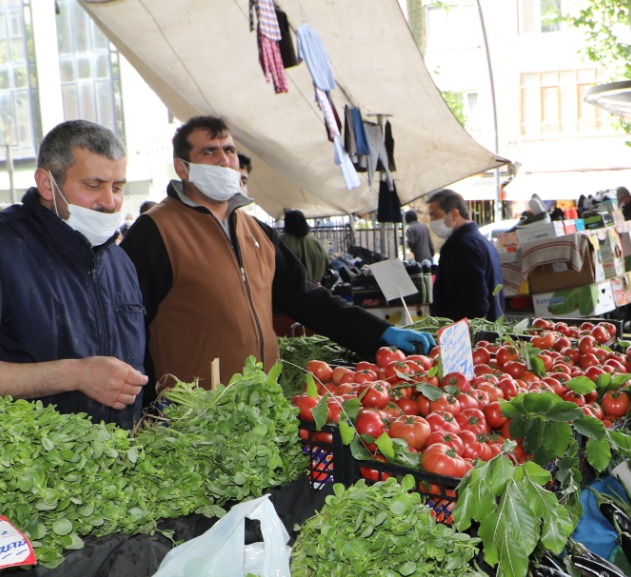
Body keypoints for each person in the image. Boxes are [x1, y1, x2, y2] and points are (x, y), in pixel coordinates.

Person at [121, 115, 430, 394]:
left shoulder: (256, 231)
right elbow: (127, 324)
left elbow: (306, 298)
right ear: (182, 167)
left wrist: (378, 331)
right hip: (193, 410)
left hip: (261, 401)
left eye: (228, 150)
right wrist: (147, 395)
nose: (224, 160)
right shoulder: (156, 231)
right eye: (209, 152)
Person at [0, 119, 148, 426]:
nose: (110, 202)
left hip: (112, 463)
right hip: (20, 468)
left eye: (118, 187)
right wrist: (75, 375)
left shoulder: (119, 261)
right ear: (46, 183)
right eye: (93, 185)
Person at [425, 188, 504, 322]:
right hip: (487, 331)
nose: (431, 221)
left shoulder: (464, 247)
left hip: (470, 336)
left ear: (454, 214)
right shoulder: (479, 241)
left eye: (435, 215)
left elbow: (476, 302)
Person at [281, 209, 328, 285]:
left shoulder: (281, 241)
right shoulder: (316, 243)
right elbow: (328, 264)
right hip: (315, 289)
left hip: (290, 291)